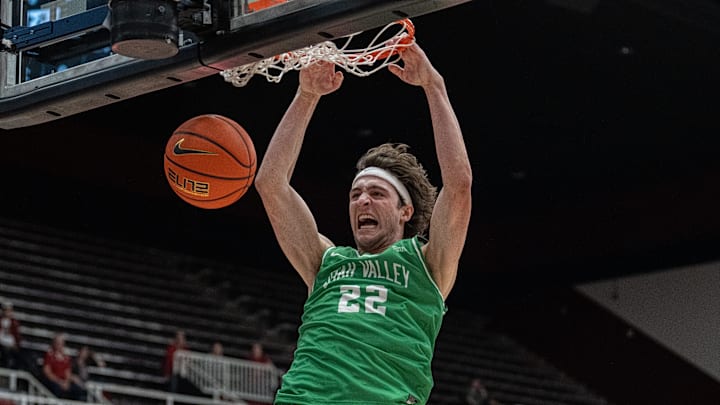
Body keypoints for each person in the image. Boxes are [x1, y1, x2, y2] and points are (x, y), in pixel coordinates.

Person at [254, 40, 472, 405]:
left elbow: (459, 184)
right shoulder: (325, 261)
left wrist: (434, 86)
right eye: (355, 194)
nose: (362, 200)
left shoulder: (428, 264)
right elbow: (270, 184)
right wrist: (306, 96)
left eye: (376, 193)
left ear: (406, 211)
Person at [41, 332, 84, 400]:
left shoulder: (66, 357)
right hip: (54, 381)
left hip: (63, 382)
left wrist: (66, 382)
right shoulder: (49, 355)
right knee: (56, 388)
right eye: (58, 342)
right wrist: (59, 382)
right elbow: (47, 372)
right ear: (54, 343)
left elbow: (68, 372)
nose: (59, 344)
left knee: (78, 390)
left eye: (61, 343)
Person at [0, 301, 23, 370]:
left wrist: (16, 344)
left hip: (11, 345)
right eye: (6, 310)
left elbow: (17, 336)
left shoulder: (14, 322)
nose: (7, 312)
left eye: (9, 310)